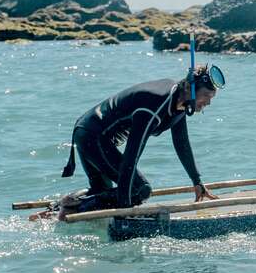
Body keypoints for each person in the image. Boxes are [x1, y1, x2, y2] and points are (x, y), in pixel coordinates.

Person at [53, 63, 226, 220]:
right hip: (93, 136)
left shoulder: (180, 101)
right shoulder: (154, 106)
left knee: (102, 192)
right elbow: (131, 156)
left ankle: (57, 208)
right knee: (140, 189)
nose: (208, 103)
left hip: (89, 131)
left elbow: (182, 144)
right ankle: (70, 212)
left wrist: (197, 182)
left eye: (211, 98)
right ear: (189, 87)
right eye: (205, 96)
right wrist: (125, 209)